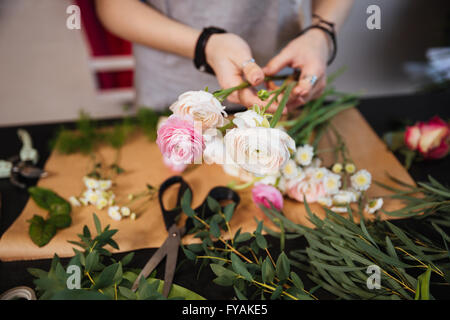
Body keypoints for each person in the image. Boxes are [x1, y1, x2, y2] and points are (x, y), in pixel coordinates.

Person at [95, 0, 354, 112]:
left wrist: (321, 34)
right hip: (171, 96)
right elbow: (111, 6)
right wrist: (205, 46)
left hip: (282, 87)